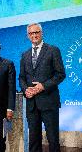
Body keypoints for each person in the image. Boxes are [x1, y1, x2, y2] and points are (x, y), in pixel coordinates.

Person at [19, 23, 66, 152]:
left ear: (41, 33)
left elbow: (60, 74)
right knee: (33, 140)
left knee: (53, 139)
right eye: (31, 33)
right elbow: (21, 77)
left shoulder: (53, 50)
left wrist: (43, 86)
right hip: (31, 104)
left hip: (49, 101)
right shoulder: (25, 55)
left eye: (36, 32)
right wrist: (25, 89)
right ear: (28, 36)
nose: (34, 35)